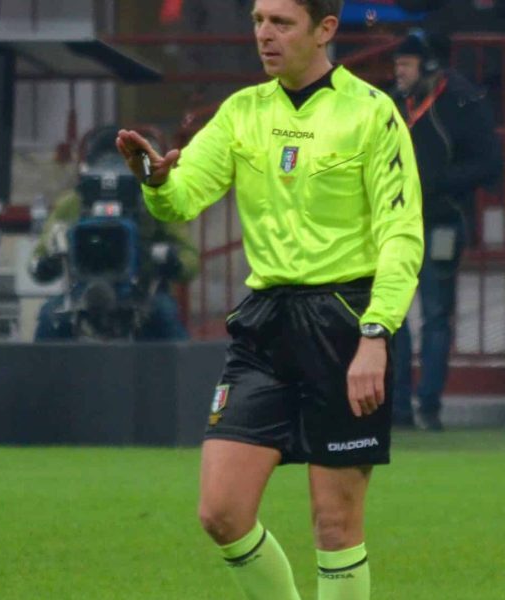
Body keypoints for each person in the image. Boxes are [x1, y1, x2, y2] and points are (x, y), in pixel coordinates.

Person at [115, 0, 422, 597]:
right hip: (266, 327)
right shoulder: (241, 112)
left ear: (325, 29)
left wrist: (375, 334)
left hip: (346, 322)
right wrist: (155, 179)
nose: (264, 34)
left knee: (335, 525)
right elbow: (184, 196)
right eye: (258, 20)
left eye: (281, 22)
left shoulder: (371, 113)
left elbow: (402, 234)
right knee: (220, 512)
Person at [387, 29, 500, 431]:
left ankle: (429, 405)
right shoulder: (390, 103)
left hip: (442, 221)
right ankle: (398, 407)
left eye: (405, 65)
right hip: (394, 226)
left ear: (429, 65)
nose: (397, 72)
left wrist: (437, 182)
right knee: (392, 316)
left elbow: (490, 164)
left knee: (436, 316)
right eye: (396, 65)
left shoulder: (463, 100)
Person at [30, 126, 198, 342]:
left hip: (143, 294)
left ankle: (187, 376)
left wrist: (173, 260)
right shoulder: (72, 204)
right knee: (50, 319)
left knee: (163, 315)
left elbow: (190, 256)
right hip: (82, 294)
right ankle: (39, 376)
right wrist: (47, 261)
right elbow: (39, 257)